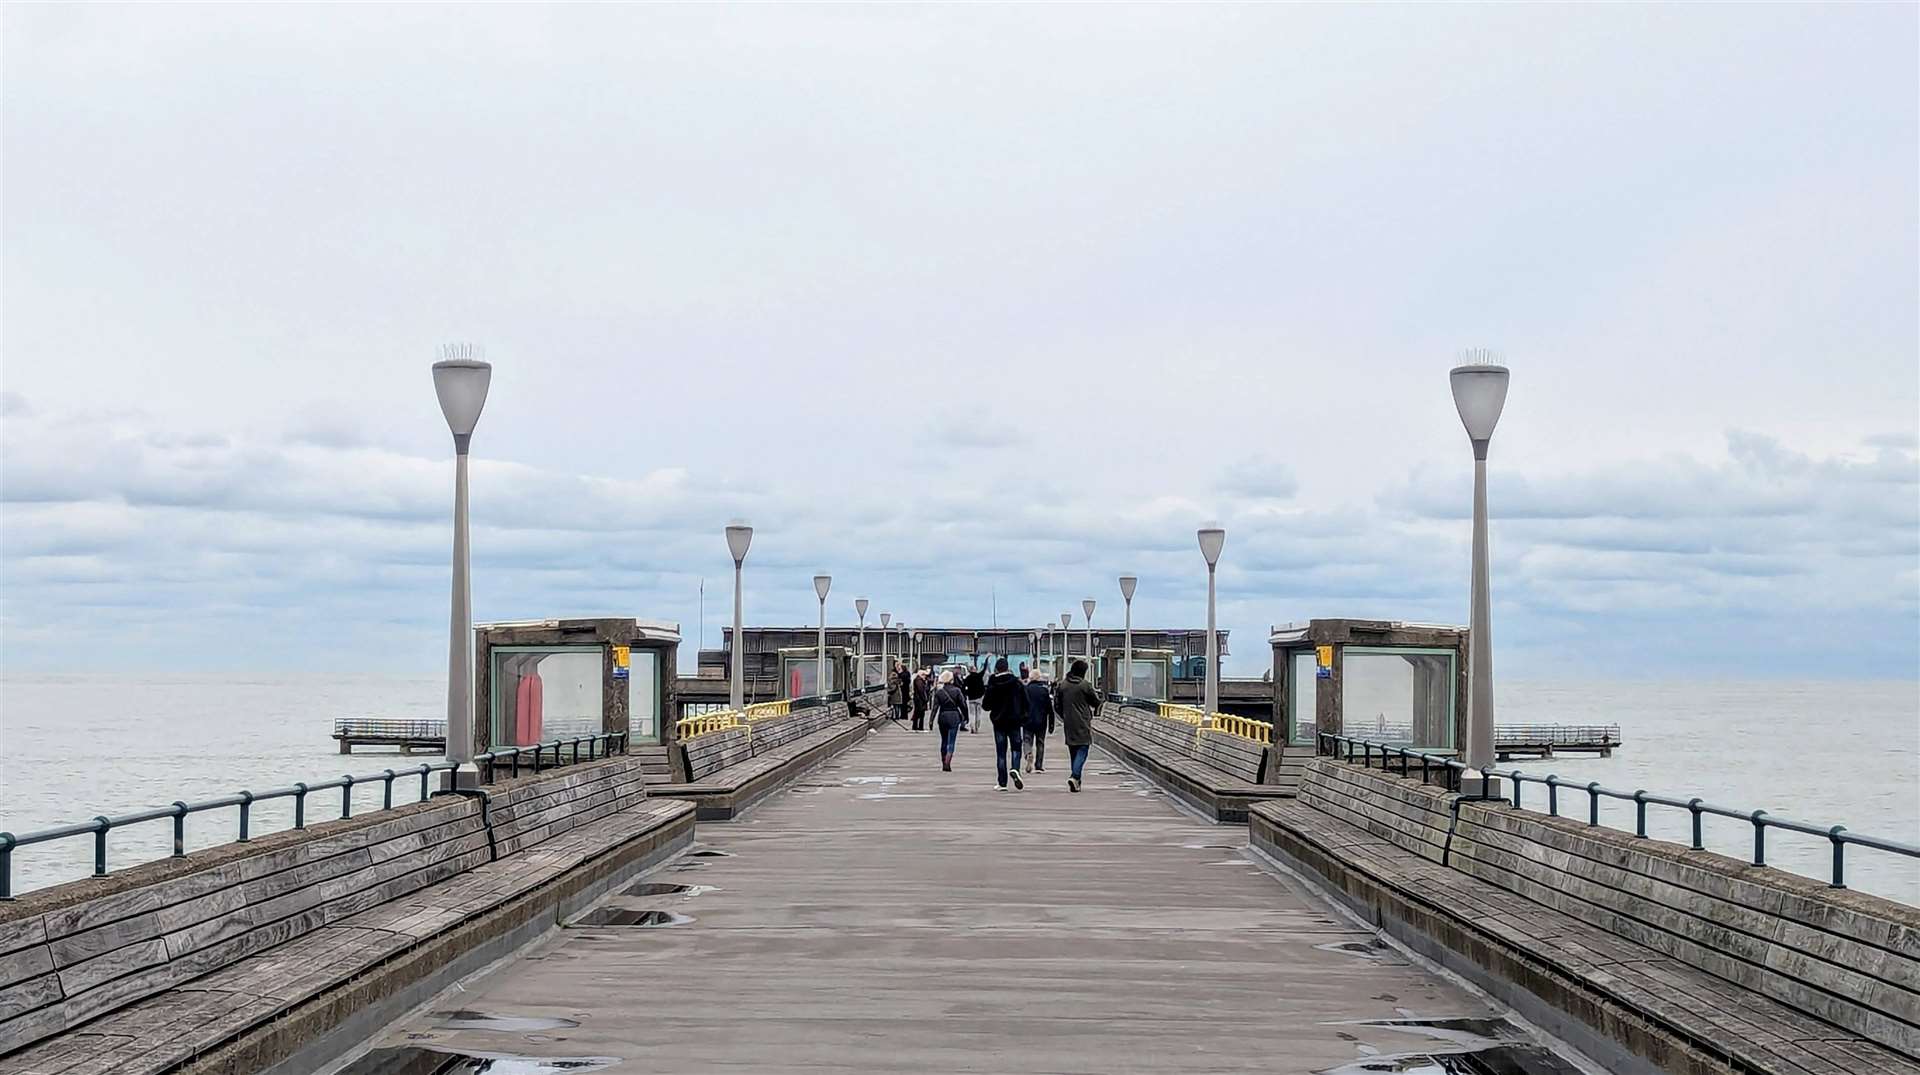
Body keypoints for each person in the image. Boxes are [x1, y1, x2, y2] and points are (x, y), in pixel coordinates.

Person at [982, 656, 1030, 790]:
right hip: (1014, 721)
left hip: (999, 722)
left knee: (1001, 752)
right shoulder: (1017, 683)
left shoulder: (993, 684)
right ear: (1008, 668)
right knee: (1016, 748)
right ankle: (1015, 769)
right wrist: (1023, 717)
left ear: (997, 669)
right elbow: (1026, 702)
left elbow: (986, 705)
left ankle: (1002, 782)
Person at [1056, 658, 1102, 792]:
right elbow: (1095, 702)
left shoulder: (1063, 685)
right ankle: (1075, 776)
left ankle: (1076, 782)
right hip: (1082, 721)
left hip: (1068, 723)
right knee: (1083, 749)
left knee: (1073, 751)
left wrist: (1064, 715)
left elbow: (1057, 705)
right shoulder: (1085, 685)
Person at [932, 670, 968, 771]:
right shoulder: (957, 691)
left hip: (942, 716)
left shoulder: (939, 692)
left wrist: (931, 720)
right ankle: (948, 761)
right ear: (952, 680)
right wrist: (966, 717)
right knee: (951, 741)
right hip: (954, 716)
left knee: (944, 740)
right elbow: (963, 705)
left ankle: (943, 760)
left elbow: (935, 707)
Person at [1022, 669, 1053, 773]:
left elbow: (1021, 706)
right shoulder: (1044, 691)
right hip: (1041, 721)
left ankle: (1028, 754)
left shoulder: (1026, 689)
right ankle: (1039, 765)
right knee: (1040, 742)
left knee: (1027, 740)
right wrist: (1051, 723)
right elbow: (1049, 708)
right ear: (1039, 678)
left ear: (1030, 678)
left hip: (1027, 721)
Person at [963, 659, 987, 734]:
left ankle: (972, 727)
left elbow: (964, 687)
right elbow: (984, 669)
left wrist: (966, 693)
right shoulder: (979, 676)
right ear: (975, 670)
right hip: (979, 698)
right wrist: (986, 659)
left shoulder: (967, 678)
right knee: (978, 714)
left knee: (972, 714)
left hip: (971, 698)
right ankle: (977, 727)